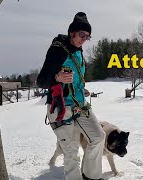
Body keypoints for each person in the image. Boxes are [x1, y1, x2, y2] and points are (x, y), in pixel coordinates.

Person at [37, 12, 105, 180]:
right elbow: (41, 81)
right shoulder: (58, 50)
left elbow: (75, 79)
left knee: (98, 136)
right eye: (82, 34)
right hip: (60, 107)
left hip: (79, 105)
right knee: (71, 151)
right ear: (72, 32)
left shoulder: (78, 51)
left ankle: (91, 176)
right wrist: (56, 77)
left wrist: (82, 88)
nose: (84, 39)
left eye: (88, 36)